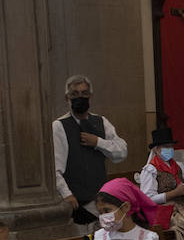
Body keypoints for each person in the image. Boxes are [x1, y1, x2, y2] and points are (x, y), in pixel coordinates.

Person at [52, 74, 129, 225]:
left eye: (84, 93)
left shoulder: (101, 121)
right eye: (75, 94)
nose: (80, 97)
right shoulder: (59, 126)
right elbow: (55, 168)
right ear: (67, 98)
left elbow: (121, 152)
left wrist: (98, 142)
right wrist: (67, 194)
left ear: (90, 97)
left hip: (101, 199)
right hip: (76, 202)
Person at [137, 126, 184, 207]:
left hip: (182, 207)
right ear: (156, 149)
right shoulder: (150, 170)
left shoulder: (179, 166)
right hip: (162, 210)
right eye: (166, 146)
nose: (170, 149)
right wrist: (175, 193)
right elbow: (148, 199)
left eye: (171, 146)